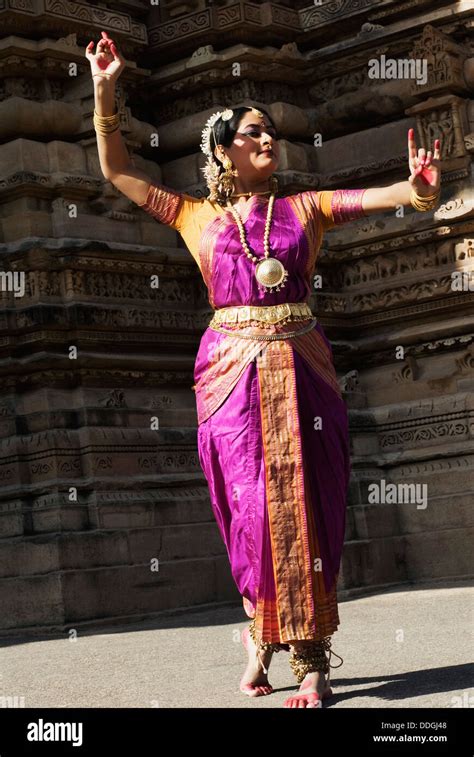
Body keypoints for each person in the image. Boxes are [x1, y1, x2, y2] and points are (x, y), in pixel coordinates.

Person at [86, 31, 442, 709]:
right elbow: (120, 172)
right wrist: (106, 90)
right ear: (224, 149)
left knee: (310, 503)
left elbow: (369, 198)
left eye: (272, 131)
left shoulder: (304, 209)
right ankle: (262, 633)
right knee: (249, 508)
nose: (268, 140)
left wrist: (417, 191)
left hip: (302, 367)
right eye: (254, 132)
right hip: (230, 378)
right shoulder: (193, 216)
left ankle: (312, 660)